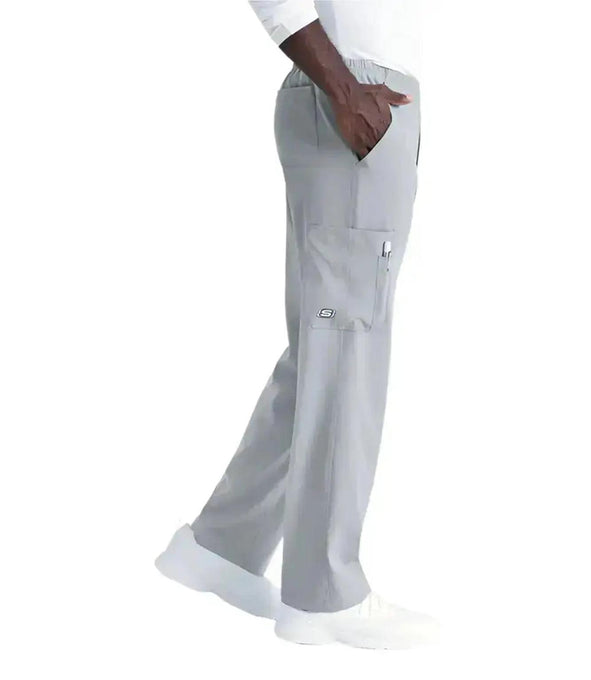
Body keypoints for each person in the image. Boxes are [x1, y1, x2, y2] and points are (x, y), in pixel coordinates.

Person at [156, 0, 437, 649]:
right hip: (353, 90)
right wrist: (343, 88)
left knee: (324, 350)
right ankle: (323, 594)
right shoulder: (348, 88)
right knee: (346, 350)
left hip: (360, 92)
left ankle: (222, 547)